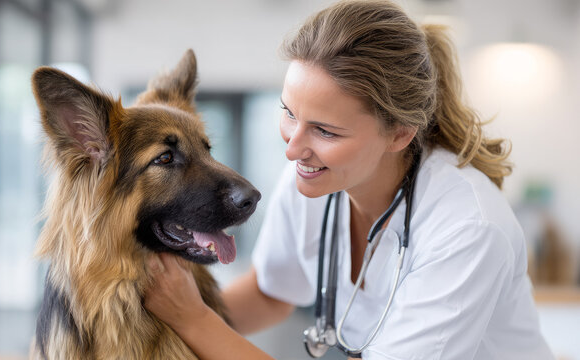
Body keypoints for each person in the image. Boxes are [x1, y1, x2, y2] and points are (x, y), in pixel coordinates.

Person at [143, 1, 555, 359]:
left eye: (326, 131)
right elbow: (271, 294)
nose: (292, 149)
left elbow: (201, 318)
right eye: (289, 112)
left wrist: (194, 319)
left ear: (399, 133)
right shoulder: (313, 178)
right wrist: (142, 323)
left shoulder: (467, 229)